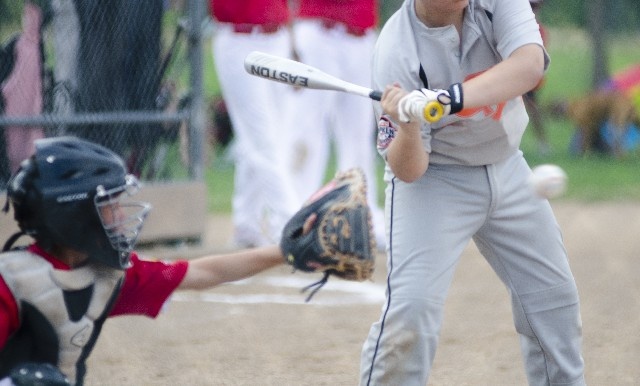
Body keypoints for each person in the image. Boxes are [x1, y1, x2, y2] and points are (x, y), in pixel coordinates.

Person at [360, 1, 585, 385]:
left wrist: (446, 98)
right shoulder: (396, 50)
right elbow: (410, 170)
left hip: (508, 166)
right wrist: (409, 123)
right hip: (437, 181)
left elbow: (529, 64)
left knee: (554, 300)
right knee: (411, 313)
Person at [0, 136, 314, 385]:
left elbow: (204, 272)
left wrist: (288, 249)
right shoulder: (12, 283)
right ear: (70, 216)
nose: (121, 216)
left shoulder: (105, 275)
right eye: (108, 205)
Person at [285, 0, 387, 249]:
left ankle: (358, 216)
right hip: (320, 31)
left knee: (359, 134)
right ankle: (298, 215)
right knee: (307, 131)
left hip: (360, 34)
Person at [210, 0, 300, 248]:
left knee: (271, 140)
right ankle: (290, 223)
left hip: (278, 38)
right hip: (240, 41)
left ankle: (247, 225)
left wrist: (293, 44)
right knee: (264, 140)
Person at [523, 0, 550, 155]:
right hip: (509, 75)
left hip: (529, 79)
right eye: (531, 5)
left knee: (534, 111)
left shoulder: (539, 30)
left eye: (536, 6)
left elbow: (540, 56)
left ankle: (543, 143)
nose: (533, 9)